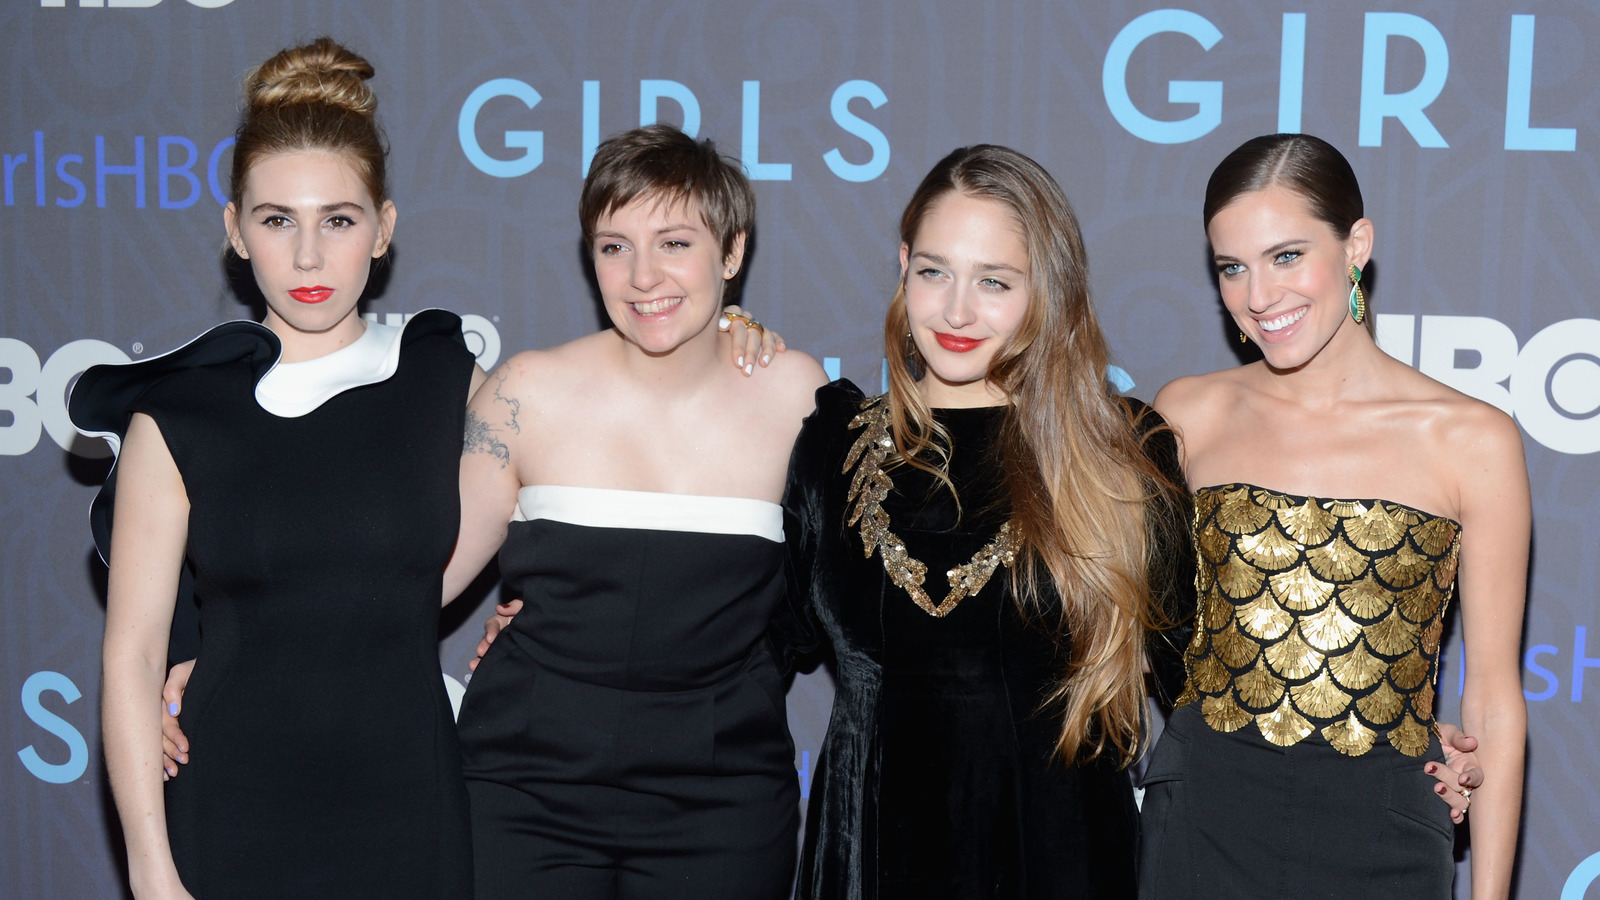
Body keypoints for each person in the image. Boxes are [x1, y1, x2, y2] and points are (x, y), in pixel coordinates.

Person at [70, 38, 480, 899]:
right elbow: (132, 655)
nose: (307, 258)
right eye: (277, 220)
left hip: (410, 806)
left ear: (384, 228)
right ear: (234, 229)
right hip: (231, 807)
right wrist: (152, 872)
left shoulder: (447, 378)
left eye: (339, 220)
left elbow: (583, 491)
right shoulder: (178, 414)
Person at [776, 144, 1195, 898]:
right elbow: (757, 645)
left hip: (1062, 861)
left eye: (994, 281)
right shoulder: (833, 448)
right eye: (934, 272)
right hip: (868, 859)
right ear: (903, 267)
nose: (957, 311)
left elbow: (1200, 685)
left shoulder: (1118, 453)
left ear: (1048, 291)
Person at [1139, 133, 1528, 899]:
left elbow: (1492, 697)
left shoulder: (1470, 439)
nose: (1258, 295)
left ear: (1356, 246)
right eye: (1232, 267)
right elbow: (1142, 630)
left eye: (1286, 256)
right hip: (1203, 818)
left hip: (1382, 834)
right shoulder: (1187, 413)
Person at [445, 124, 828, 899]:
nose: (642, 275)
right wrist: (219, 658)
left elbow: (840, 599)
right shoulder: (524, 393)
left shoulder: (796, 394)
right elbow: (412, 585)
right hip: (523, 787)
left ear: (732, 252)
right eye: (614, 247)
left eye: (675, 243)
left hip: (722, 798)